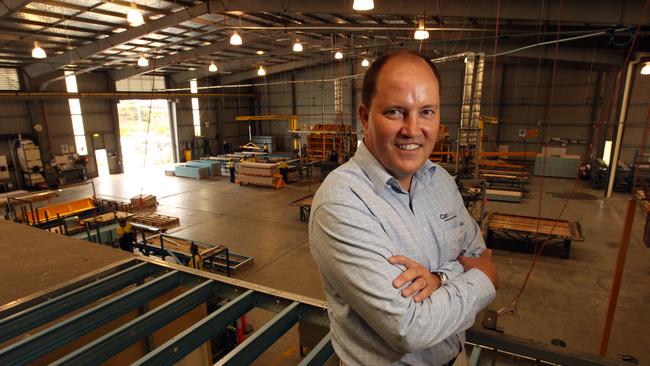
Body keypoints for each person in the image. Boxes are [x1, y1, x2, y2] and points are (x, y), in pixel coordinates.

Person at [309, 49, 499, 366]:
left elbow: (477, 254)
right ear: (365, 116)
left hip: (456, 358)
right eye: (396, 112)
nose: (412, 130)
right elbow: (410, 327)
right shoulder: (342, 202)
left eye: (427, 112)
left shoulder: (440, 180)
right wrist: (483, 280)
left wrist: (438, 279)